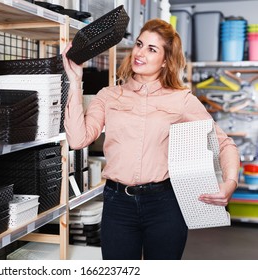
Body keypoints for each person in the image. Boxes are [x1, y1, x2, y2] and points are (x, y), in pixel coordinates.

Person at [62, 18, 240, 260]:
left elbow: (224, 144)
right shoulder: (109, 95)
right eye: (139, 44)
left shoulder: (181, 100)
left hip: (165, 205)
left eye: (151, 49)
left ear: (166, 60)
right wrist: (74, 82)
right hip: (117, 204)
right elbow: (77, 139)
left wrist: (230, 182)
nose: (140, 53)